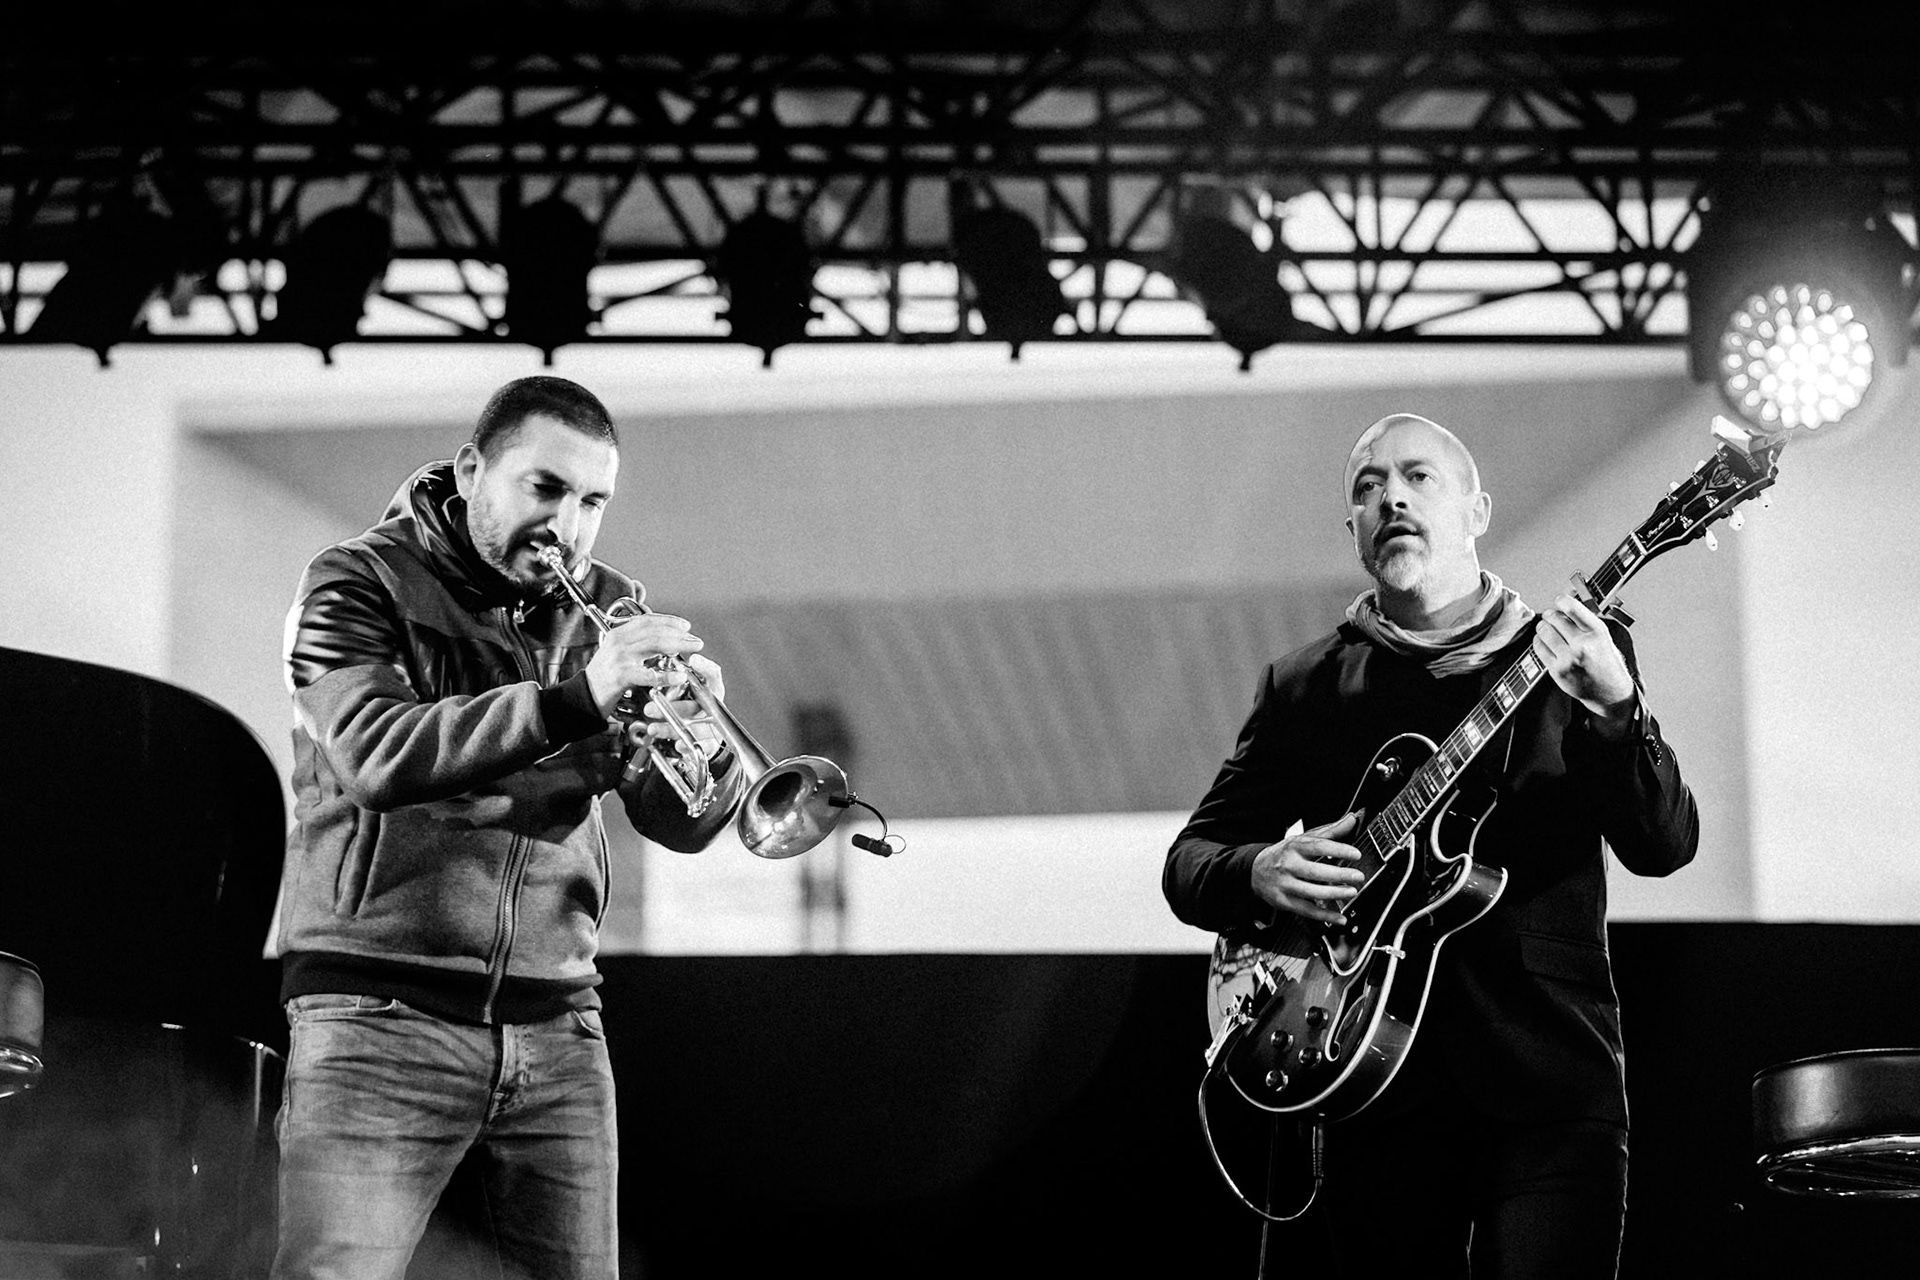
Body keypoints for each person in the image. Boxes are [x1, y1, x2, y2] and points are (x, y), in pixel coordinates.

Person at [1163, 413, 1699, 1279]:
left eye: (1418, 478)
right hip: (1370, 1087)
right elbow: (1190, 862)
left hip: (1549, 1085)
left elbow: (1665, 844)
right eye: (1367, 490)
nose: (1392, 499)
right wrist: (1260, 870)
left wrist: (1616, 710)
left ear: (1476, 510)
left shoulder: (1570, 655)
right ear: (1354, 535)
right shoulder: (1306, 687)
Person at [272, 375, 744, 1280]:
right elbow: (377, 756)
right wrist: (576, 700)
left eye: (593, 501)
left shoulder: (607, 605)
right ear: (472, 470)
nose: (568, 525)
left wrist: (701, 752)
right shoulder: (355, 581)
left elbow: (674, 828)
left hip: (559, 1023)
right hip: (380, 1013)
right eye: (546, 489)